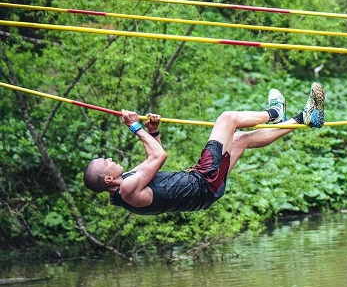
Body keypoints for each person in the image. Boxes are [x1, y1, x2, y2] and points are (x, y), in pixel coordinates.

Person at [83, 83, 325, 215]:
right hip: (201, 182)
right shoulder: (126, 189)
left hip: (205, 190)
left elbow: (154, 159)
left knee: (240, 139)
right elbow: (160, 155)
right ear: (107, 178)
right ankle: (275, 113)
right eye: (107, 161)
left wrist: (153, 131)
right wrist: (134, 126)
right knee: (227, 119)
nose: (111, 158)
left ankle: (304, 118)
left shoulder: (125, 185)